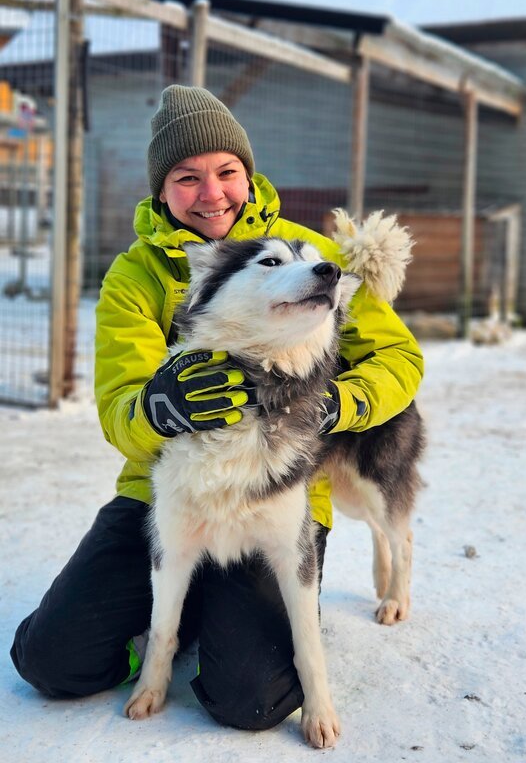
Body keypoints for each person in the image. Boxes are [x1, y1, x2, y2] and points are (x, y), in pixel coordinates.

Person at [11, 85, 424, 731]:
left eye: (226, 172)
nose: (212, 193)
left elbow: (400, 359)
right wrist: (159, 410)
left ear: (247, 174)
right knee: (50, 661)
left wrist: (344, 402)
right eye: (187, 177)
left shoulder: (305, 254)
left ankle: (214, 612)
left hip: (274, 492)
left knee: (247, 699)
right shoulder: (135, 276)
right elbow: (118, 405)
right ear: (161, 190)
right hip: (166, 491)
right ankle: (161, 624)